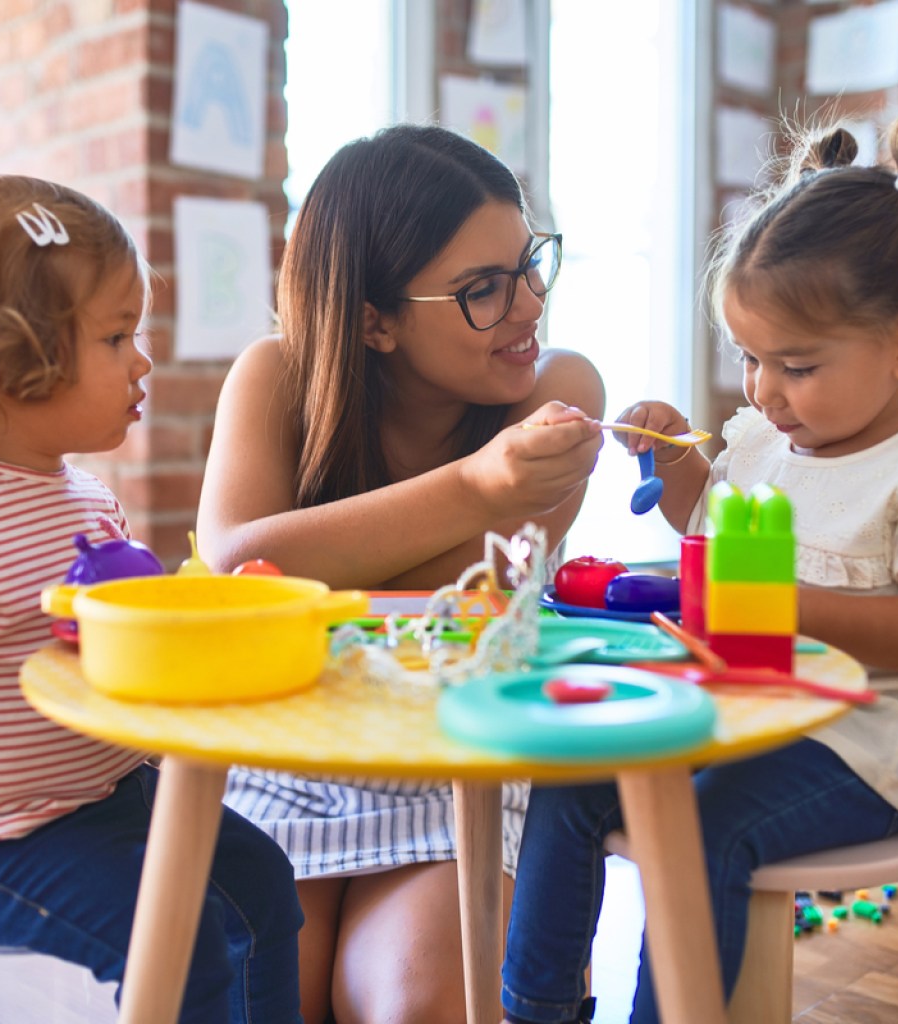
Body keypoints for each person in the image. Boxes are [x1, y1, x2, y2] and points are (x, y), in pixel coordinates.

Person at [499, 104, 898, 1024]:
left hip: (869, 746)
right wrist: (680, 462)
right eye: (749, 358)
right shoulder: (766, 441)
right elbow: (717, 526)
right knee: (568, 777)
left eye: (797, 366)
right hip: (741, 710)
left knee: (701, 830)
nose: (765, 391)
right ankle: (536, 1010)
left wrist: (776, 602)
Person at [196, 123, 605, 1024]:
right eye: (482, 290)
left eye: (530, 264)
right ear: (373, 319)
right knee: (253, 1002)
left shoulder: (557, 393)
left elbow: (466, 598)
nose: (529, 303)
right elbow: (236, 566)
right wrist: (474, 486)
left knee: (415, 1005)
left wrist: (314, 562)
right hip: (283, 755)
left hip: (458, 763)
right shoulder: (272, 377)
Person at [0, 174, 304, 1024]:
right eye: (116, 336)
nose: (142, 360)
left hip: (106, 795)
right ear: (6, 361)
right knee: (181, 938)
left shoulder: (90, 502)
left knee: (265, 885)